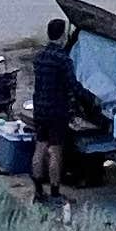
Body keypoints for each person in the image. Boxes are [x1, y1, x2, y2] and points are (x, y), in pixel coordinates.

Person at [28, 14, 77, 213]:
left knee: (39, 148)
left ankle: (38, 191)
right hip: (57, 110)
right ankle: (55, 193)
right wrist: (90, 97)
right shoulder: (63, 60)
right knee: (55, 151)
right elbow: (72, 86)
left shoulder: (39, 57)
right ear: (62, 36)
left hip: (40, 108)